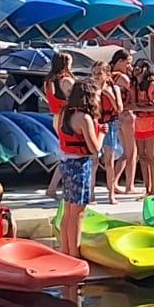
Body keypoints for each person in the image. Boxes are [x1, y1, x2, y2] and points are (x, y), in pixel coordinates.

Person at [54, 81, 101, 259]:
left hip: (66, 163)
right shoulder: (84, 118)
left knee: (68, 210)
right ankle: (75, 254)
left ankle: (65, 250)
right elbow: (94, 148)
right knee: (78, 213)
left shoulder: (65, 112)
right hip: (79, 166)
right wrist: (102, 133)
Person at [128, 59, 154, 197]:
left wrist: (139, 107)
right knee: (142, 157)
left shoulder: (152, 84)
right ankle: (147, 188)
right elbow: (130, 103)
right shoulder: (134, 85)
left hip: (151, 122)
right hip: (138, 122)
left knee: (151, 157)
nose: (136, 69)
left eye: (140, 67)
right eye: (135, 67)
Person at [42, 52, 75, 199]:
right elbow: (77, 97)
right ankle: (56, 187)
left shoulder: (48, 81)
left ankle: (54, 187)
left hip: (56, 116)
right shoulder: (66, 80)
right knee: (70, 153)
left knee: (66, 153)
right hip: (67, 117)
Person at [91, 60, 122, 206]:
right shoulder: (90, 89)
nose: (96, 76)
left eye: (99, 73)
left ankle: (111, 194)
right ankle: (91, 194)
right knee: (94, 161)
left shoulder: (114, 88)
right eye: (94, 73)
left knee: (109, 161)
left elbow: (119, 109)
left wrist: (109, 95)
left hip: (110, 124)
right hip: (95, 124)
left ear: (107, 74)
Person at [109, 48, 138, 196]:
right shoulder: (122, 78)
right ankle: (128, 185)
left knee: (127, 151)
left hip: (116, 116)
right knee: (131, 152)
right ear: (119, 62)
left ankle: (114, 182)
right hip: (127, 114)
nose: (130, 66)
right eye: (128, 63)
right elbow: (134, 91)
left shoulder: (108, 76)